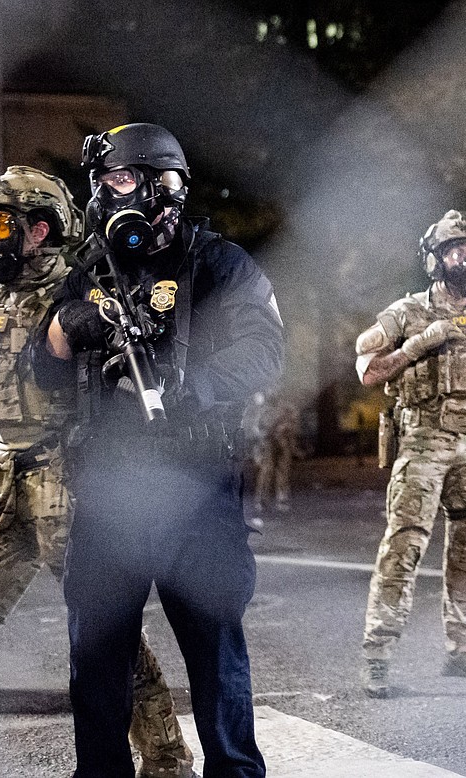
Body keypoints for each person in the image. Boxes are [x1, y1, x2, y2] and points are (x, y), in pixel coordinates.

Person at [0, 162, 194, 778]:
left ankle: (166, 755)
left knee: (109, 627)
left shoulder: (81, 290)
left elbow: (132, 364)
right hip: (2, 475)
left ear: (40, 230)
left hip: (70, 476)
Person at [35, 123, 282, 777]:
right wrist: (64, 328)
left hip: (195, 485)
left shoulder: (218, 263)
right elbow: (43, 371)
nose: (108, 198)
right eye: (102, 187)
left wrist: (191, 384)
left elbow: (265, 349)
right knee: (96, 658)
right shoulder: (89, 273)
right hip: (109, 490)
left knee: (216, 652)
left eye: (119, 182)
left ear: (159, 186)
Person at [355, 209, 466, 699]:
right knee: (404, 546)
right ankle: (378, 654)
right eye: (455, 250)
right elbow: (366, 365)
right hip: (424, 440)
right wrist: (418, 345)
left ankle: (463, 649)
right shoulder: (408, 311)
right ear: (435, 261)